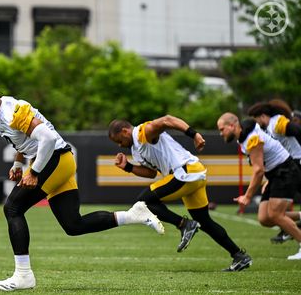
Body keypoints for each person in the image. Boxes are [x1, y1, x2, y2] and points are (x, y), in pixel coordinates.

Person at [0, 81, 164, 291]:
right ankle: (134, 215)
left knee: (13, 208)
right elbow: (24, 139)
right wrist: (18, 163)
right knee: (73, 225)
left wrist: (34, 172)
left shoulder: (9, 112)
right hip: (58, 160)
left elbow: (48, 138)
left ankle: (23, 275)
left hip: (55, 159)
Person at [108, 115, 252, 271]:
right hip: (190, 174)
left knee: (143, 203)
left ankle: (184, 225)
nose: (119, 146)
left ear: (124, 131)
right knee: (205, 222)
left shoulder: (141, 132)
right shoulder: (136, 149)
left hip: (184, 172)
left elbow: (167, 120)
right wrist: (128, 167)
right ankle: (239, 256)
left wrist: (194, 134)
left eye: (119, 141)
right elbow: (151, 173)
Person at [217, 112, 301, 260]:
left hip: (285, 171)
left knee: (276, 214)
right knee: (265, 218)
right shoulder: (243, 136)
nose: (220, 133)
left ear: (232, 126)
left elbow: (258, 170)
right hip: (274, 174)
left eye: (222, 129)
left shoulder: (252, 138)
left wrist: (247, 196)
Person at [247, 101, 301, 244]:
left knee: (275, 214)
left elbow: (296, 130)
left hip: (297, 163)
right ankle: (290, 228)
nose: (256, 124)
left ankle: (290, 231)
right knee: (268, 216)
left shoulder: (276, 122)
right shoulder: (268, 129)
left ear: (263, 116)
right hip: (289, 165)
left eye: (256, 119)